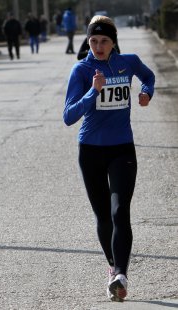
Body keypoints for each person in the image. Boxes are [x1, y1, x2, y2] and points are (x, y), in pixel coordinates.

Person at [63, 15, 155, 302]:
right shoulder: (81, 69)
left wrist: (145, 92)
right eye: (93, 41)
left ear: (113, 41)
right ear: (88, 41)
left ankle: (120, 274)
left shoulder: (128, 62)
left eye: (104, 41)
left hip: (121, 149)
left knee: (120, 212)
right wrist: (94, 91)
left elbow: (149, 76)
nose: (98, 47)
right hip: (90, 150)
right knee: (103, 215)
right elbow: (69, 116)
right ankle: (114, 266)